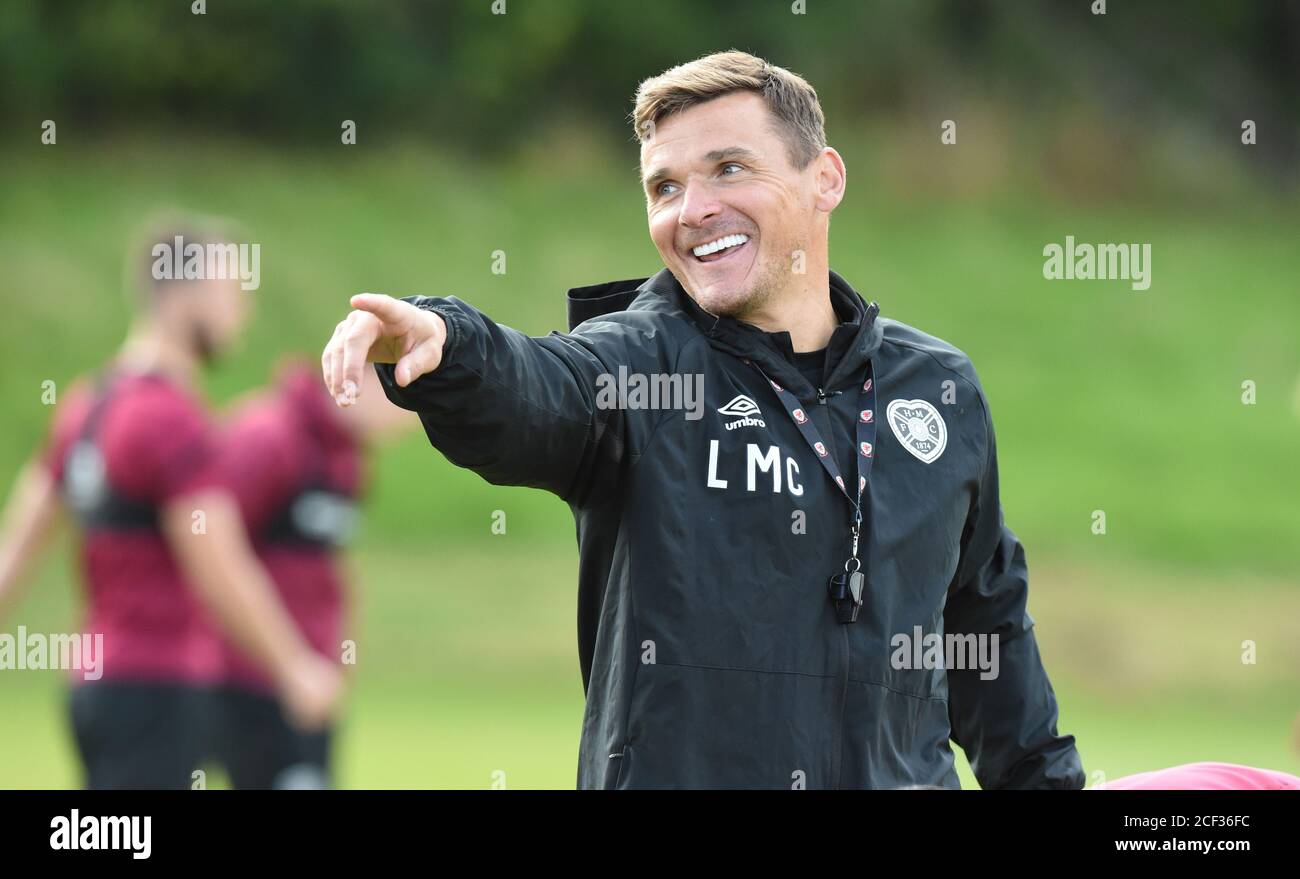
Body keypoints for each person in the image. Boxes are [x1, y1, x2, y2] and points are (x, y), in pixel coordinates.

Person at [320, 51, 1083, 789]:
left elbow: (988, 633)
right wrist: (449, 343)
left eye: (728, 168)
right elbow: (538, 388)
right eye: (664, 187)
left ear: (824, 179)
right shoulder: (640, 365)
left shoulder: (938, 388)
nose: (693, 211)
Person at [0, 215, 341, 789]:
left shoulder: (87, 405)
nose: (242, 313)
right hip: (158, 686)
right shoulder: (171, 418)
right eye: (233, 292)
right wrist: (293, 668)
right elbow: (219, 563)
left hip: (94, 688)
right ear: (187, 297)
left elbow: (16, 550)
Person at [208, 360, 412, 789]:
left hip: (311, 684)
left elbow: (327, 565)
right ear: (366, 381)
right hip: (245, 679)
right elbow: (213, 554)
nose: (412, 419)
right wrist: (288, 664)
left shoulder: (349, 457)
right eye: (407, 400)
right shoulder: (266, 437)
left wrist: (331, 659)